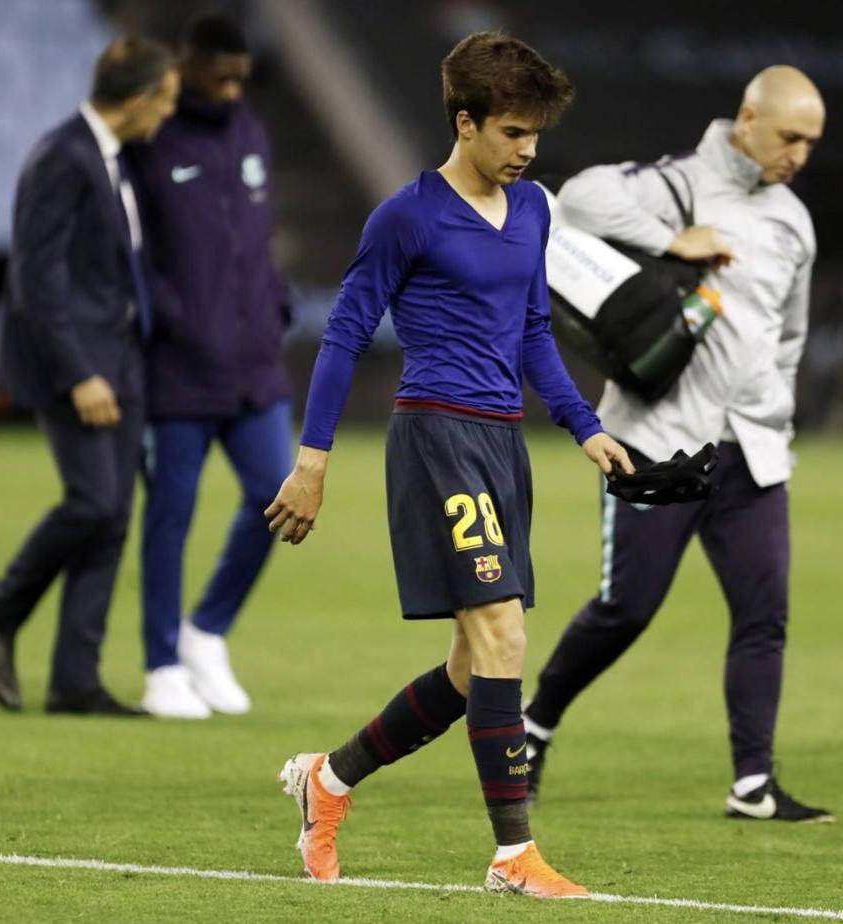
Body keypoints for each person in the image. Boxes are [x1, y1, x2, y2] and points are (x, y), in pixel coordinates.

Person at [263, 31, 632, 898]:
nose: (529, 150)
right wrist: (311, 461)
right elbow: (346, 333)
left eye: (535, 134)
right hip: (435, 436)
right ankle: (514, 858)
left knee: (476, 669)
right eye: (513, 133)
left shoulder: (533, 207)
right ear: (465, 124)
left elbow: (534, 331)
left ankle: (329, 780)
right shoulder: (407, 216)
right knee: (506, 631)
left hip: (503, 443)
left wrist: (583, 425)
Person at [523, 66, 835, 823]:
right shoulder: (679, 185)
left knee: (764, 614)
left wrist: (777, 416)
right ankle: (532, 728)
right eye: (788, 136)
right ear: (748, 118)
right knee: (627, 608)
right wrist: (670, 239)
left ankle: (753, 784)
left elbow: (788, 337)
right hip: (660, 442)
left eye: (811, 143)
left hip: (752, 452)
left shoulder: (794, 221)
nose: (798, 153)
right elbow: (580, 197)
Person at [0, 37, 179, 717]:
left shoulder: (112, 157)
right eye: (167, 101)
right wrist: (80, 372)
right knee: (92, 502)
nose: (167, 116)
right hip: (75, 364)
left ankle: (74, 680)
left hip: (120, 358)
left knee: (113, 515)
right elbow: (36, 278)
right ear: (141, 98)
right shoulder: (62, 156)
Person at [125, 14, 294, 719]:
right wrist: (167, 314)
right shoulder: (150, 136)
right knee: (171, 513)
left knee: (277, 496)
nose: (229, 91)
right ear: (186, 66)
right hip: (177, 368)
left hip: (254, 360)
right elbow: (133, 244)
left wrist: (275, 301)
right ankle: (161, 664)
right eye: (217, 77)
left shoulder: (249, 130)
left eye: (239, 78)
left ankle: (207, 631)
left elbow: (258, 234)